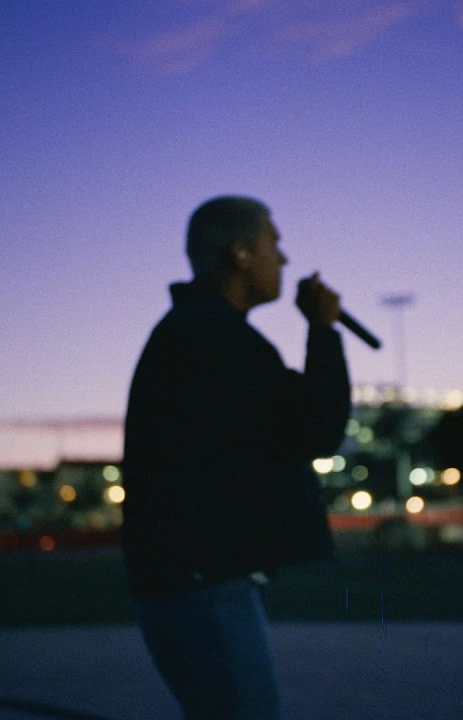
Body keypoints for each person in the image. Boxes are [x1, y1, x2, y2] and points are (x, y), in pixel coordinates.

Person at [120, 195, 351, 719]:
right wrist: (322, 329)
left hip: (191, 582)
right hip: (204, 587)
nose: (284, 260)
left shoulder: (197, 334)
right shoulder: (213, 337)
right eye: (274, 243)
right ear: (241, 253)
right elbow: (316, 426)